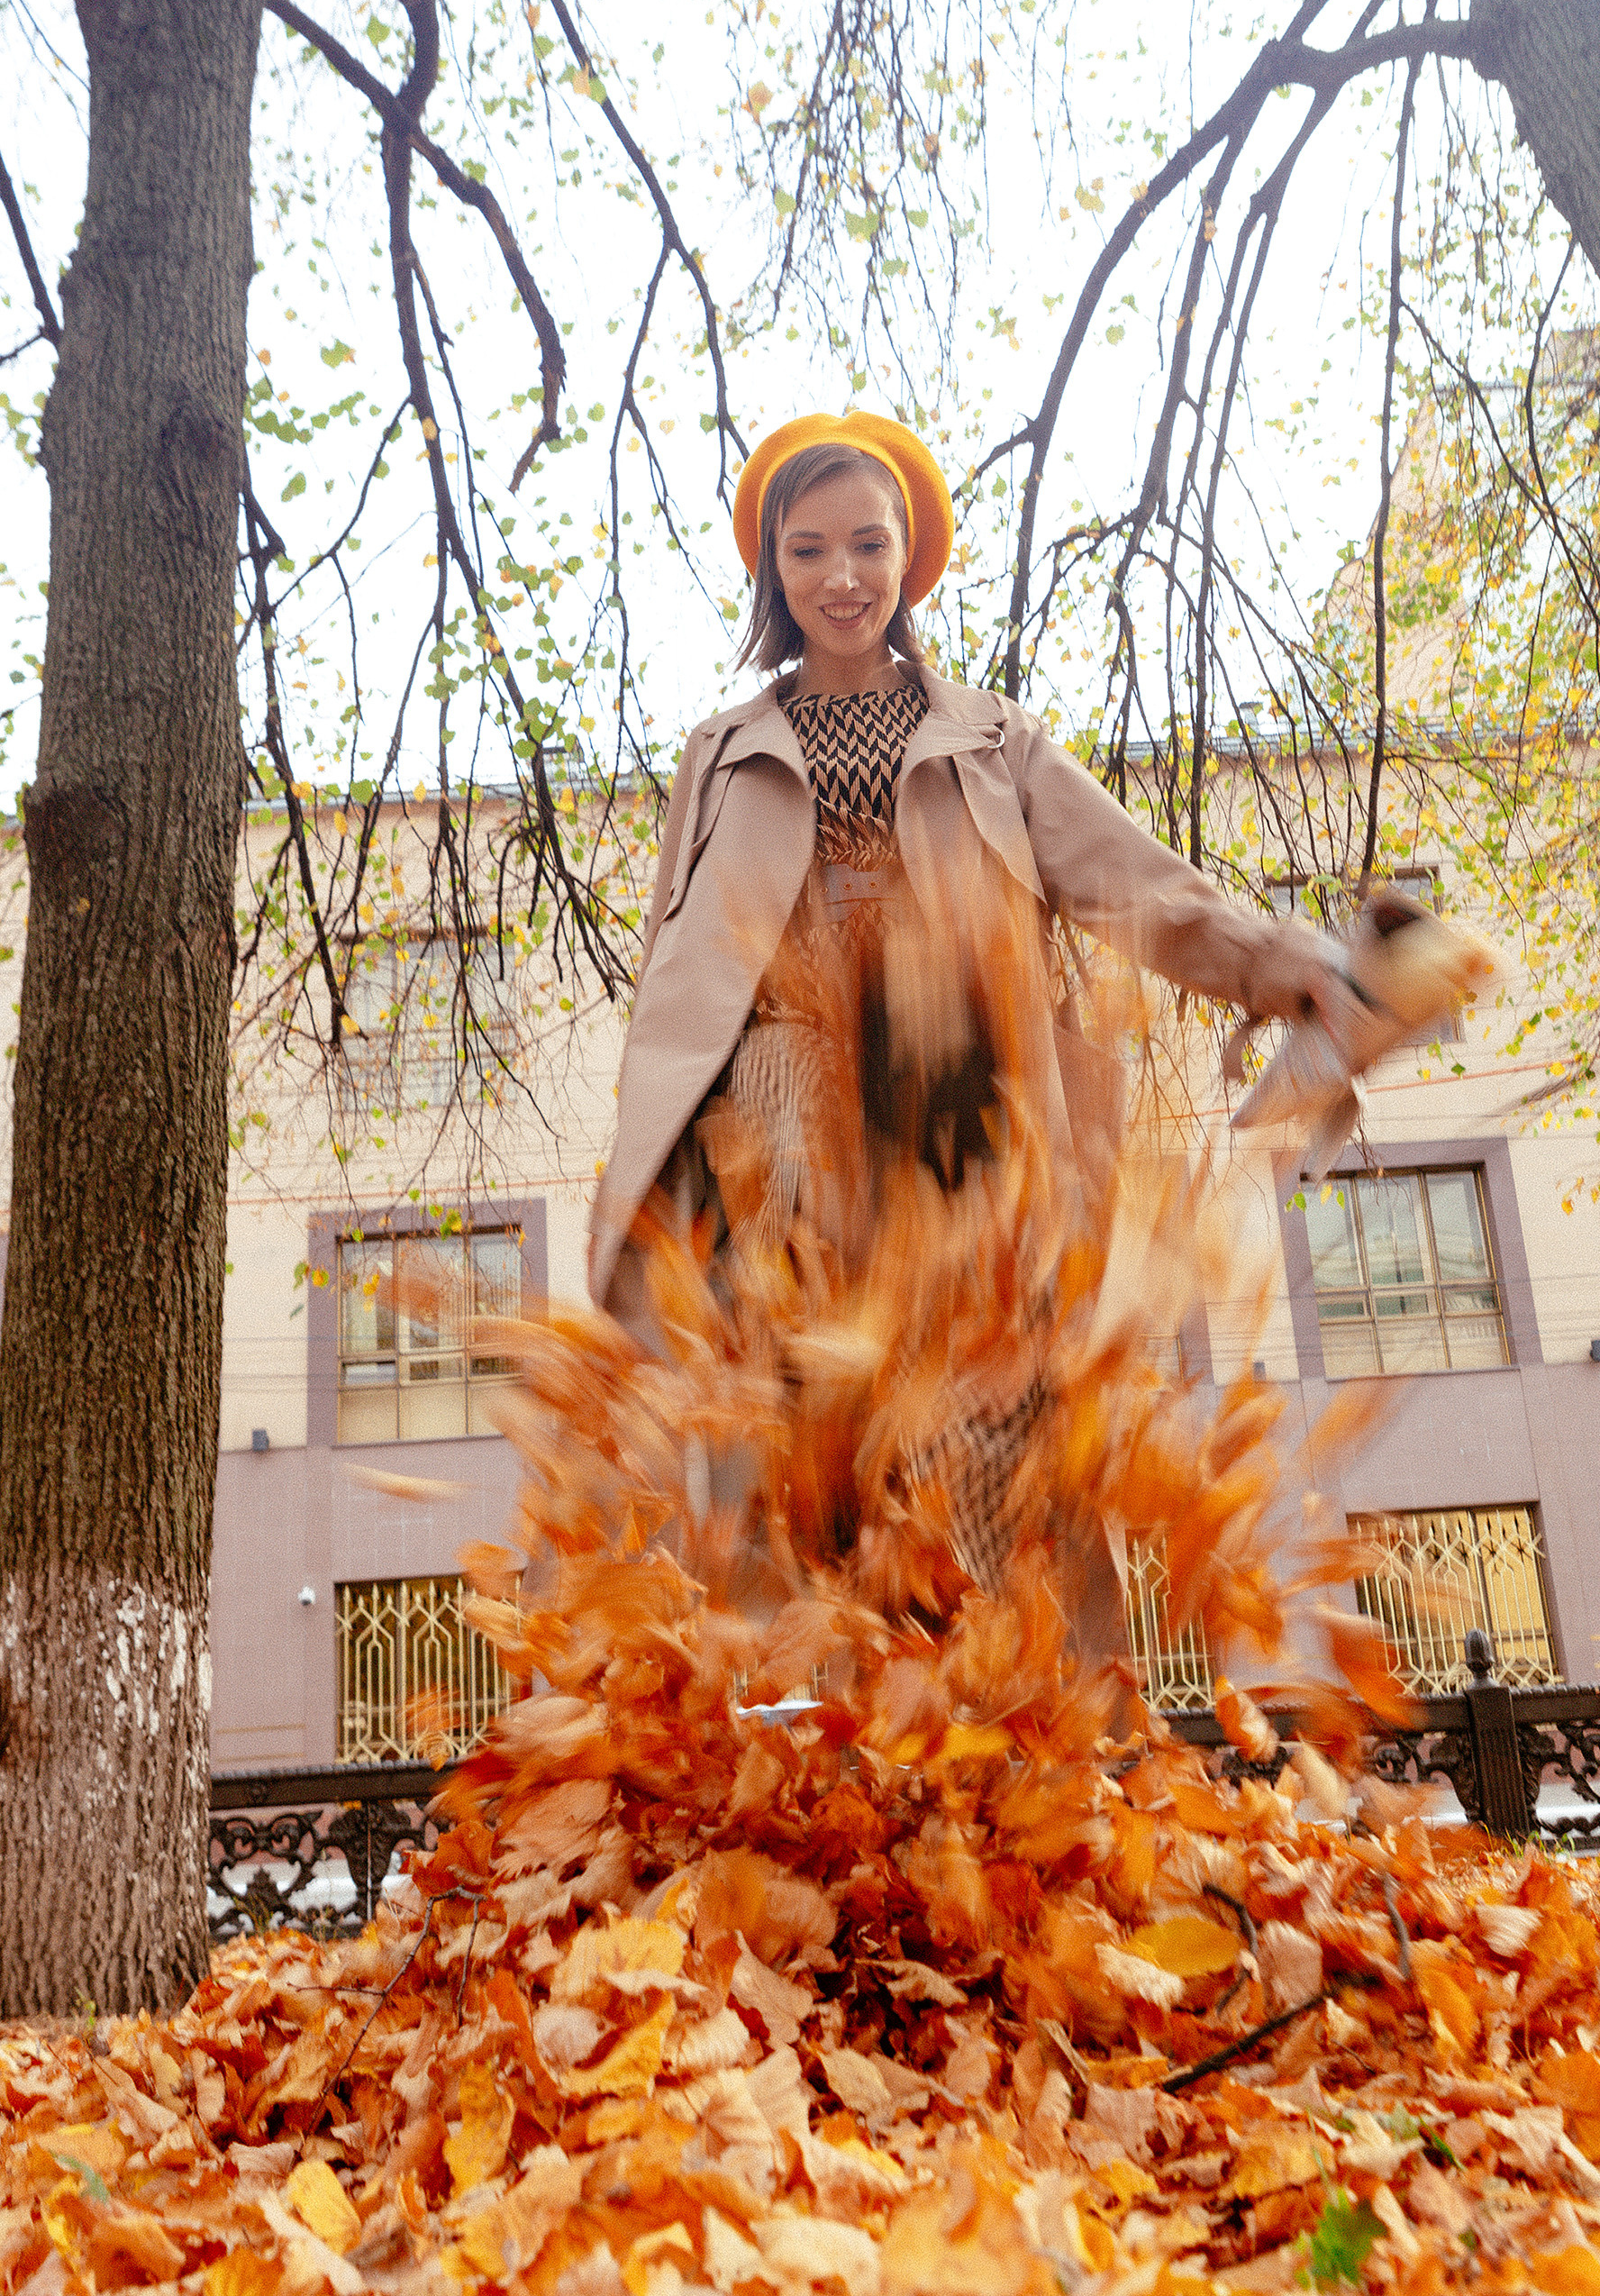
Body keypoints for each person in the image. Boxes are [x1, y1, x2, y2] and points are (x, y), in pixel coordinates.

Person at [586, 409, 1379, 1599]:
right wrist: (657, 1182)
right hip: (786, 1129)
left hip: (963, 1115)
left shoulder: (993, 741)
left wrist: (1281, 964)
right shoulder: (721, 751)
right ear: (774, 567)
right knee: (808, 1450)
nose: (841, 577)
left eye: (867, 543)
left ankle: (1039, 1741)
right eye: (808, 550)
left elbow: (1135, 885)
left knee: (1001, 1441)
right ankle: (809, 1746)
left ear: (908, 554)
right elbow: (676, 976)